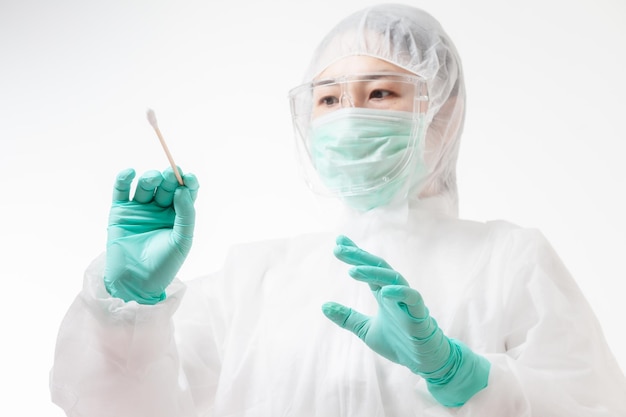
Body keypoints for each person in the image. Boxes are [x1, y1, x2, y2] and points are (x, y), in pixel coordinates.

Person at [50, 4, 626, 416]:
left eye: (379, 93)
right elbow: (121, 408)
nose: (349, 115)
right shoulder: (253, 281)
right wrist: (128, 312)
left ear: (441, 111)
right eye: (327, 99)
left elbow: (590, 405)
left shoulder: (509, 261)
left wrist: (462, 376)